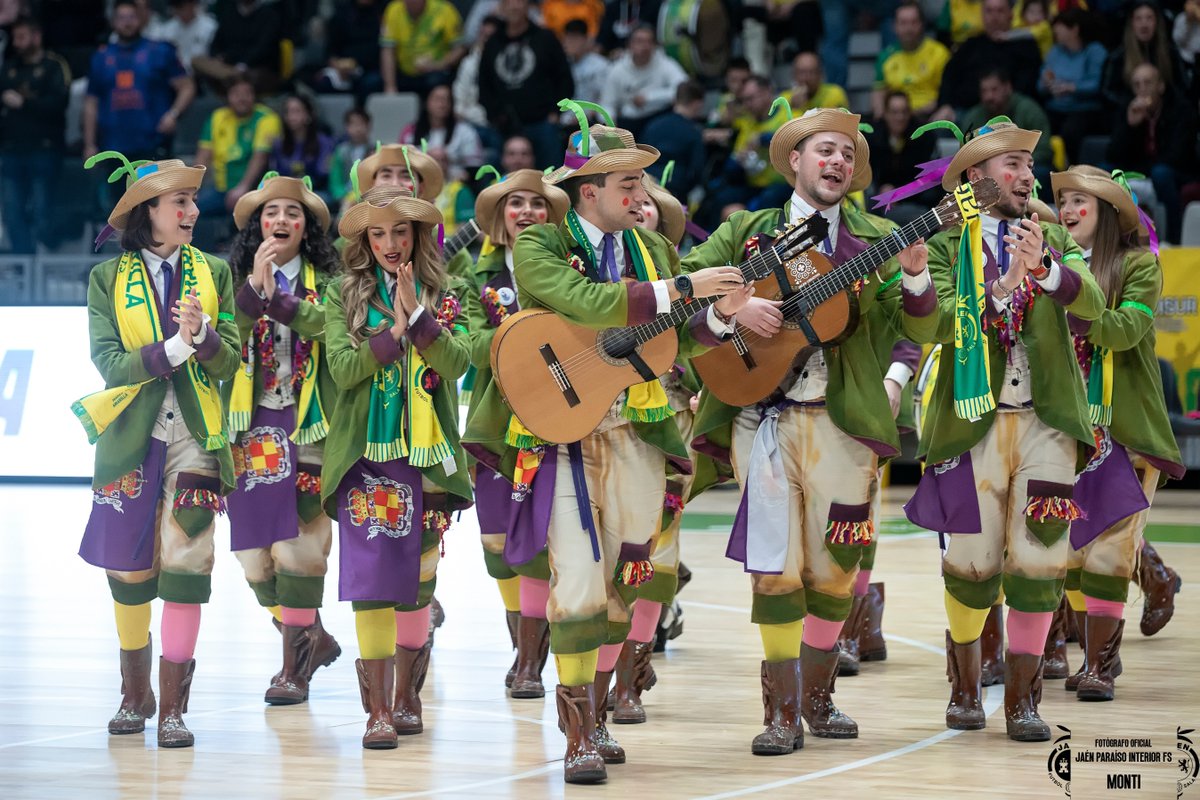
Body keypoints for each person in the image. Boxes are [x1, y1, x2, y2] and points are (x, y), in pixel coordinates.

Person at [508, 105, 751, 783]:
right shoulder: (540, 243)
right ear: (590, 192)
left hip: (639, 430)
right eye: (629, 188)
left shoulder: (656, 251)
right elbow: (583, 302)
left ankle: (600, 715)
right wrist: (681, 289)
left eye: (643, 187)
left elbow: (672, 336)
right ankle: (578, 735)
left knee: (625, 579)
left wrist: (720, 319)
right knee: (579, 584)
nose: (643, 199)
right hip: (562, 429)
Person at [684, 107, 922, 756]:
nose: (838, 161)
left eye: (848, 153)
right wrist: (731, 309)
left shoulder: (879, 234)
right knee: (774, 570)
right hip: (762, 420)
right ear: (795, 160)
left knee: (838, 570)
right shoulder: (746, 231)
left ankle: (818, 700)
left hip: (845, 427)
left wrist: (918, 275)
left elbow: (923, 327)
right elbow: (687, 297)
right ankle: (783, 714)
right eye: (825, 150)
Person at [901, 119, 1105, 742]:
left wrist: (1042, 271)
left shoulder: (1045, 235)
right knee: (970, 565)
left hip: (1046, 423)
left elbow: (1093, 304)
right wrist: (992, 289)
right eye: (1011, 164)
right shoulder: (943, 239)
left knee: (1041, 560)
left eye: (1027, 164)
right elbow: (927, 327)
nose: (1026, 176)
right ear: (975, 178)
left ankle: (1023, 702)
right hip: (971, 423)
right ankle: (965, 688)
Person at [75, 154, 241, 748]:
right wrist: (172, 348)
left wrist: (205, 338)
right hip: (130, 438)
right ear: (149, 214)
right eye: (181, 203)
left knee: (188, 566)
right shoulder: (104, 280)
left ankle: (172, 708)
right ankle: (133, 694)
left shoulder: (216, 272)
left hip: (198, 438)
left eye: (192, 203)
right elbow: (110, 364)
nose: (194, 211)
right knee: (128, 570)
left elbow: (232, 361)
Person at [321, 185, 472, 749]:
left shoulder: (445, 289)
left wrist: (422, 318)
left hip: (428, 458)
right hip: (366, 458)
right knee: (370, 581)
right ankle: (379, 710)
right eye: (378, 233)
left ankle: (408, 696)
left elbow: (459, 364)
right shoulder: (343, 294)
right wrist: (394, 331)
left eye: (399, 231)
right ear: (365, 240)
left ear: (417, 236)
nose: (389, 242)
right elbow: (342, 369)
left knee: (417, 581)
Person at [1049, 164, 1185, 701]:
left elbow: (1126, 330)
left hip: (1125, 428)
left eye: (1081, 201)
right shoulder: (1054, 267)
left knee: (1111, 551)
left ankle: (1101, 666)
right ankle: (1093, 652)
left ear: (1107, 212)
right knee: (1073, 553)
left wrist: (1068, 295)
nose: (1068, 211)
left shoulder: (1139, 265)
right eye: (1064, 202)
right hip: (1067, 430)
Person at [224, 174, 343, 704]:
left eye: (293, 214)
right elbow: (224, 339)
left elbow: (334, 330)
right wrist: (256, 287)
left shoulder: (336, 279)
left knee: (300, 547)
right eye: (270, 212)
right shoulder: (228, 278)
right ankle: (310, 636)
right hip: (252, 424)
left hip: (313, 422)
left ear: (308, 226)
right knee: (253, 557)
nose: (281, 221)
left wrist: (285, 300)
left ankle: (293, 670)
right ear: (257, 225)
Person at [460, 169, 570, 698]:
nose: (527, 212)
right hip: (496, 422)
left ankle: (529, 662)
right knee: (495, 543)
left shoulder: (571, 267)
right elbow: (470, 348)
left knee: (535, 546)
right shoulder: (472, 277)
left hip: (558, 418)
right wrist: (524, 335)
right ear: (500, 217)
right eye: (516, 204)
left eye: (538, 204)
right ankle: (520, 647)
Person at [83, 1, 195, 170]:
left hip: (153, 143)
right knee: (118, 197)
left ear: (142, 19)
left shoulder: (160, 51)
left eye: (132, 17)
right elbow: (91, 103)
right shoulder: (101, 57)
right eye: (122, 18)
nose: (127, 23)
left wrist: (173, 114)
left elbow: (187, 86)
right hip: (113, 146)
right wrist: (89, 144)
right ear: (113, 21)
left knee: (153, 196)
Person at [0, 16, 70, 254]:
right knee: (12, 212)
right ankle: (25, 269)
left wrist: (23, 103)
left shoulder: (54, 66)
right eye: (15, 38)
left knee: (43, 215)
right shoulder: (8, 68)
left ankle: (47, 259)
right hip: (11, 151)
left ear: (36, 36)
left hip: (44, 149)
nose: (17, 43)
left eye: (22, 37)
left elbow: (59, 104)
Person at [1107, 63, 1198, 244]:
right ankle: (1113, 243)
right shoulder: (1129, 110)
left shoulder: (1181, 110)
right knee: (1105, 170)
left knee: (1161, 173)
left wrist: (1140, 170)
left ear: (1160, 86)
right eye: (1137, 85)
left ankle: (1173, 240)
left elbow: (1177, 156)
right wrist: (1130, 126)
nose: (1142, 90)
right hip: (1144, 170)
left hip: (1177, 173)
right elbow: (1113, 155)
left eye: (1147, 83)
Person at [478, 0, 574, 168]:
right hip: (504, 128)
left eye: (519, 1)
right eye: (509, 2)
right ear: (502, 6)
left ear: (528, 6)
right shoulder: (493, 42)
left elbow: (564, 78)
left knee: (551, 182)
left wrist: (556, 112)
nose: (514, 5)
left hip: (543, 123)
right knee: (504, 185)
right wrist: (493, 115)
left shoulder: (545, 37)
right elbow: (484, 84)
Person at [933, 0, 1042, 119]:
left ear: (1011, 14)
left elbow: (1027, 86)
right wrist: (945, 104)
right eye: (989, 11)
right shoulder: (971, 45)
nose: (994, 17)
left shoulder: (1026, 45)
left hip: (1011, 115)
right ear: (982, 15)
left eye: (1000, 11)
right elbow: (949, 76)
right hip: (966, 112)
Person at [194, 76, 282, 215]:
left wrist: (243, 187)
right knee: (187, 210)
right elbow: (203, 157)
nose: (242, 98)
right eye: (236, 94)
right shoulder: (217, 117)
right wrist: (193, 189)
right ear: (227, 96)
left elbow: (260, 157)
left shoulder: (267, 118)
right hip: (221, 190)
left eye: (247, 93)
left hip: (256, 189)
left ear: (254, 95)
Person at [960, 69, 1052, 190]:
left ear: (1007, 87)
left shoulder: (1029, 110)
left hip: (1027, 166)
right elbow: (965, 153)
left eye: (994, 89)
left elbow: (1044, 151)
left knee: (1040, 173)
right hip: (986, 169)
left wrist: (1014, 163)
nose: (989, 96)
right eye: (984, 91)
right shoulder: (973, 117)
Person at [1038, 9, 1107, 166]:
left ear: (1074, 29)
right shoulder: (1055, 52)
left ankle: (1074, 170)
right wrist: (1047, 84)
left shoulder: (1094, 51)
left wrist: (1072, 88)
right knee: (1038, 127)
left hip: (1084, 109)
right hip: (1055, 107)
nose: (1055, 32)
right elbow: (1041, 84)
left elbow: (1097, 84)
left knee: (1070, 131)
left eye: (1060, 28)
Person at [599, 24, 687, 138]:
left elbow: (684, 89)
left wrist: (650, 97)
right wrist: (610, 126)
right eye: (639, 41)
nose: (645, 46)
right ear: (630, 45)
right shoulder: (617, 70)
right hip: (628, 122)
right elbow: (607, 103)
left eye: (649, 42)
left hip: (659, 117)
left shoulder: (665, 64)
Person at [866, 91, 939, 225]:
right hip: (880, 198)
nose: (900, 117)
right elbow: (871, 172)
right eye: (894, 112)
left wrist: (899, 192)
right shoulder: (874, 137)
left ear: (910, 112)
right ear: (885, 113)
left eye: (904, 112)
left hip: (915, 200)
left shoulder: (924, 137)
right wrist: (882, 188)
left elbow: (928, 179)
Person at [872, 1, 950, 121]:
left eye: (914, 22)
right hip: (896, 119)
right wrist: (881, 117)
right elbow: (878, 93)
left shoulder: (939, 53)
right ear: (894, 26)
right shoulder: (886, 56)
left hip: (929, 117)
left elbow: (946, 94)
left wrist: (913, 114)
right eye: (903, 23)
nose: (908, 28)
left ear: (922, 25)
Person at [1101, 0, 1187, 107]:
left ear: (1157, 22)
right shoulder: (1118, 57)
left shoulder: (1171, 53)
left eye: (1149, 18)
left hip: (1166, 115)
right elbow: (1107, 92)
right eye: (1138, 19)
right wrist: (1131, 103)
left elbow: (1182, 88)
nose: (1144, 24)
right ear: (1132, 23)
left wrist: (1161, 104)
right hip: (1129, 114)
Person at [191, 0, 285, 95]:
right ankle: (230, 76)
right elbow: (217, 41)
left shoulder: (270, 15)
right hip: (227, 65)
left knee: (250, 77)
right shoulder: (229, 12)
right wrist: (217, 56)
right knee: (197, 61)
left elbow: (264, 48)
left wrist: (242, 65)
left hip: (256, 67)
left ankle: (231, 78)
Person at [399, 83, 484, 183]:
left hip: (455, 186)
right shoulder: (410, 131)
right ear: (426, 102)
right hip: (418, 185)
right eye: (437, 99)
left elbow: (474, 168)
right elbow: (400, 162)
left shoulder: (465, 132)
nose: (442, 104)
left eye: (447, 100)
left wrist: (448, 161)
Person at [380, 0, 466, 96]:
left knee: (436, 81)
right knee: (375, 83)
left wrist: (438, 65)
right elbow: (387, 51)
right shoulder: (394, 10)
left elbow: (460, 48)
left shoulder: (444, 10)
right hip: (404, 72)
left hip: (436, 71)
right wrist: (390, 86)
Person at [641, 80, 707, 199]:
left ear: (675, 100)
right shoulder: (693, 132)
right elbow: (696, 171)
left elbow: (641, 156)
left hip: (646, 186)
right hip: (674, 192)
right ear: (697, 104)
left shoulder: (653, 124)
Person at [315, 0, 386, 100]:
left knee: (372, 83)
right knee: (324, 82)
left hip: (372, 69)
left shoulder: (384, 13)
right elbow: (331, 50)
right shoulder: (342, 13)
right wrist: (338, 65)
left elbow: (386, 49)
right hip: (343, 68)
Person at [269, 95, 335, 195]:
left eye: (296, 111)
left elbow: (323, 174)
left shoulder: (324, 142)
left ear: (309, 115)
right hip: (287, 192)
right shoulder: (279, 144)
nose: (291, 116)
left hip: (316, 192)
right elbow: (277, 174)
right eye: (288, 112)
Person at [354, 143, 445, 203]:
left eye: (406, 176)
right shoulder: (361, 231)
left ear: (421, 187)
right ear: (372, 185)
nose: (395, 184)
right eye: (386, 176)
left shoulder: (436, 232)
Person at [145, 0, 217, 75]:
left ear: (193, 4)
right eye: (176, 7)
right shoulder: (167, 29)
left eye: (182, 6)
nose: (179, 11)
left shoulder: (210, 27)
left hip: (201, 74)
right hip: (174, 75)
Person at [562, 18, 611, 113]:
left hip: (592, 118)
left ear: (585, 39)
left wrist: (589, 114)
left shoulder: (600, 65)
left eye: (575, 38)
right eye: (568, 38)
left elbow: (605, 98)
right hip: (565, 118)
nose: (571, 43)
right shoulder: (562, 65)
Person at [329, 107, 373, 207]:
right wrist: (341, 195)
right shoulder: (341, 151)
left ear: (369, 126)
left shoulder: (375, 150)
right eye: (353, 124)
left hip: (368, 195)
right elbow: (335, 179)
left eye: (361, 124)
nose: (357, 128)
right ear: (346, 127)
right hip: (344, 195)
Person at [786, 52, 850, 117]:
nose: (806, 78)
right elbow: (778, 126)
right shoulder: (784, 99)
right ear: (794, 75)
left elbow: (831, 123)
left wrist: (797, 110)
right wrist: (795, 108)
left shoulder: (834, 94)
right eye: (802, 72)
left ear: (820, 74)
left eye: (811, 72)